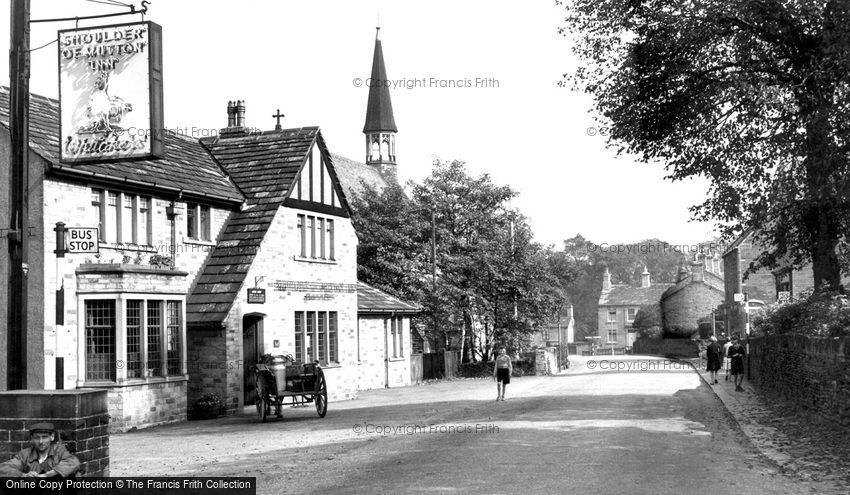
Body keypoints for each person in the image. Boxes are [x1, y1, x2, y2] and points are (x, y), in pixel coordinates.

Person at [0, 423, 80, 478]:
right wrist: (23, 475)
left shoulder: (59, 451)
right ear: (32, 439)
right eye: (37, 438)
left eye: (44, 437)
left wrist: (47, 475)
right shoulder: (25, 454)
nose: (41, 442)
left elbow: (73, 462)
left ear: (52, 437)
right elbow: (4, 468)